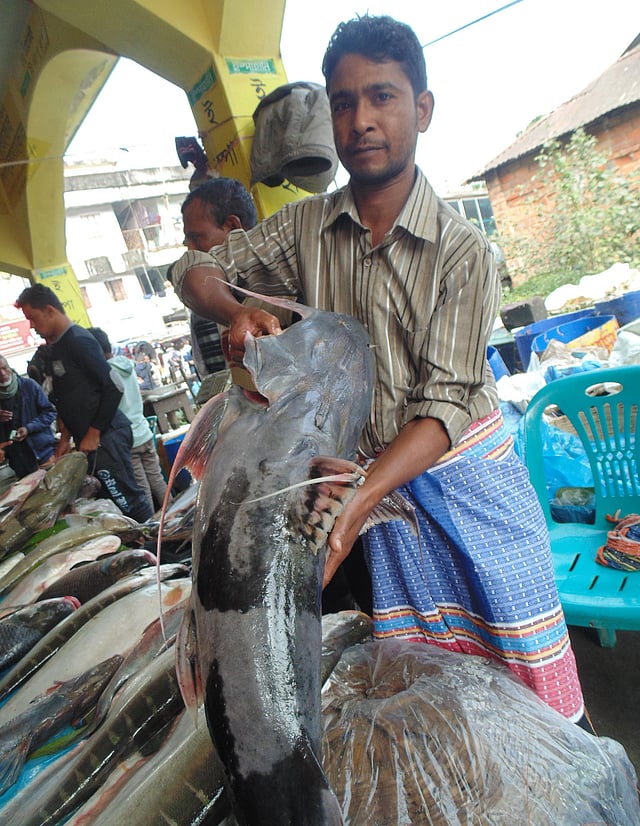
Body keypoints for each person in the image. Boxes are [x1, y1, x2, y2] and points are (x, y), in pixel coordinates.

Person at [169, 15, 588, 726]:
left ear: (421, 109)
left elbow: (447, 405)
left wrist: (359, 501)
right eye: (343, 102)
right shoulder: (306, 227)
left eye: (382, 97)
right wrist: (232, 309)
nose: (361, 119)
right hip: (370, 490)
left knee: (536, 694)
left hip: (466, 486)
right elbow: (195, 266)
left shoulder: (462, 250)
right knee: (437, 701)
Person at [15, 284, 153, 524]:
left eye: (33, 319)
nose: (32, 327)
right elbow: (69, 399)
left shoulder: (79, 340)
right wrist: (65, 442)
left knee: (127, 499)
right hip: (88, 441)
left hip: (107, 436)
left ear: (49, 310)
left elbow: (113, 387)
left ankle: (155, 547)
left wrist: (94, 432)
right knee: (110, 501)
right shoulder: (57, 347)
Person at [180, 177, 258, 379]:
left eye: (196, 238)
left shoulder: (283, 283)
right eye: (187, 241)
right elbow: (219, 378)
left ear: (232, 226)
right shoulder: (205, 302)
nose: (190, 250)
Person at [88, 327, 168, 511]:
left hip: (128, 439)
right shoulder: (127, 365)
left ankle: (152, 525)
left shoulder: (105, 373)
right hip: (144, 432)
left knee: (141, 487)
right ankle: (175, 515)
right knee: (156, 478)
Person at [0, 354, 56, 477]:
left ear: (10, 367)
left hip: (44, 454)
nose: (3, 373)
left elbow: (50, 412)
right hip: (20, 462)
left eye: (5, 368)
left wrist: (29, 428)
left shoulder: (29, 386)